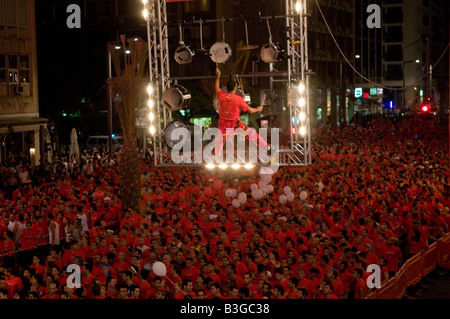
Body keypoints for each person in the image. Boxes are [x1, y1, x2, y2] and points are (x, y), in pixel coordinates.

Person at [214, 68, 269, 159]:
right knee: (251, 133)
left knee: (220, 140)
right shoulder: (238, 99)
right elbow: (250, 111)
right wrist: (258, 109)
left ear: (226, 88)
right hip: (235, 124)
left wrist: (218, 76)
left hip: (223, 125)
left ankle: (215, 155)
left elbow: (216, 87)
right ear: (235, 89)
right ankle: (266, 148)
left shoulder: (221, 96)